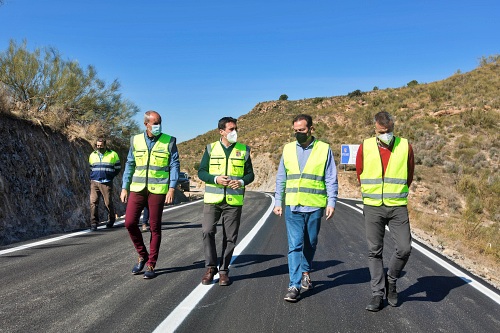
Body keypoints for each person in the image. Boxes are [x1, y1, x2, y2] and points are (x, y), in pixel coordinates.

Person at [273, 114, 338, 302]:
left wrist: (331, 202)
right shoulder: (288, 149)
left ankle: (306, 271)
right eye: (295, 131)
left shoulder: (324, 149)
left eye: (301, 130)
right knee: (294, 246)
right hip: (293, 205)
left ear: (311, 129)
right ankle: (293, 285)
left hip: (314, 205)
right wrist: (278, 201)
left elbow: (331, 177)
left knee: (310, 243)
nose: (298, 134)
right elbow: (281, 177)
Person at [356, 111, 414, 311]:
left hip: (397, 206)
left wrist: (395, 193)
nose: (385, 134)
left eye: (388, 131)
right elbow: (360, 173)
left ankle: (392, 280)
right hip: (373, 206)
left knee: (404, 248)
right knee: (374, 251)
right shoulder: (366, 146)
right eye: (382, 131)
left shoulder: (405, 146)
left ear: (393, 128)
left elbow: (409, 175)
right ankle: (377, 294)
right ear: (375, 129)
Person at [120, 110, 179, 279]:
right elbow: (130, 164)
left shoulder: (169, 141)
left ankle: (151, 264)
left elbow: (175, 164)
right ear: (146, 124)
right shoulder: (136, 140)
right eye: (155, 123)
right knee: (130, 222)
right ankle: (142, 254)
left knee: (154, 227)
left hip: (158, 189)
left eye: (160, 122)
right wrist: (125, 187)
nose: (158, 126)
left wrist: (172, 188)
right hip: (137, 188)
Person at [198, 116, 255, 286]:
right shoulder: (210, 149)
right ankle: (210, 267)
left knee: (230, 237)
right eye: (231, 129)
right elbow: (201, 172)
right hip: (213, 200)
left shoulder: (244, 150)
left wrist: (242, 181)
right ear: (221, 131)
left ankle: (223, 270)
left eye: (236, 129)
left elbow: (250, 174)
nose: (234, 132)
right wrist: (215, 179)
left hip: (234, 200)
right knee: (207, 231)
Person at [88, 138, 121, 231]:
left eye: (101, 146)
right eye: (97, 146)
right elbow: (91, 167)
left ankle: (111, 220)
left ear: (105, 145)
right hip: (94, 182)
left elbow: (118, 168)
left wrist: (110, 176)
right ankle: (93, 223)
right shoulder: (92, 155)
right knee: (93, 202)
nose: (99, 147)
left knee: (108, 202)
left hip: (106, 182)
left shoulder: (113, 154)